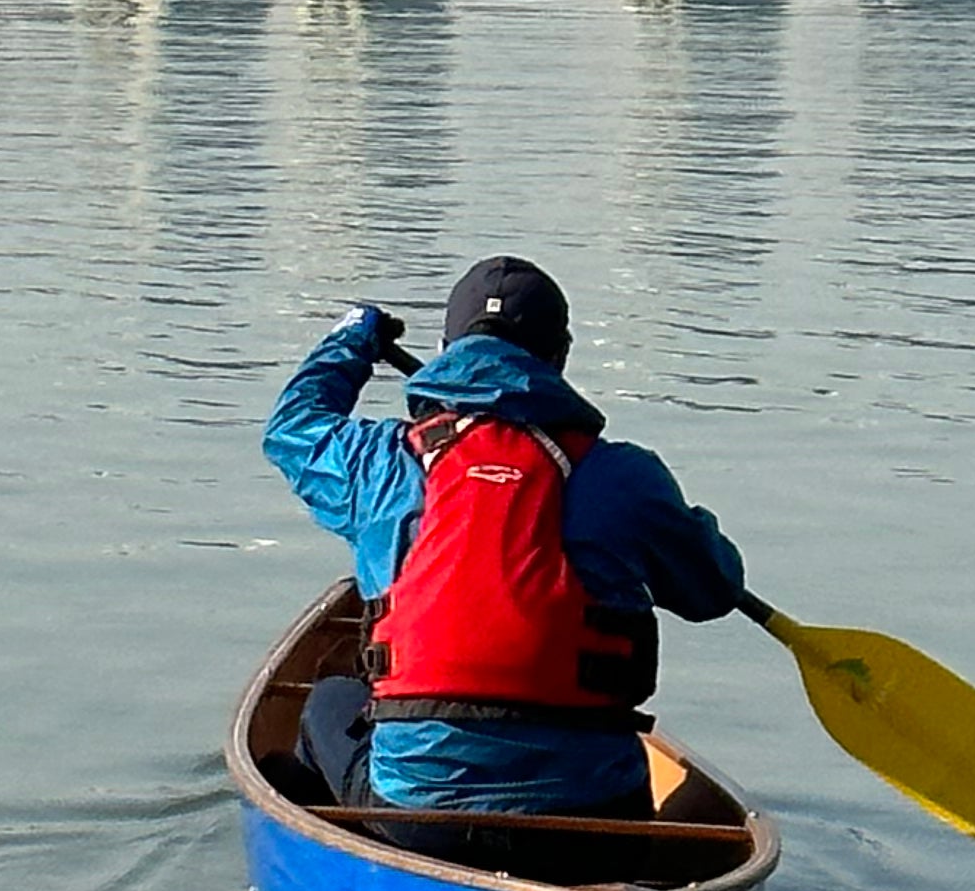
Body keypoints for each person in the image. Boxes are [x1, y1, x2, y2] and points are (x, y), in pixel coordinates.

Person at [262, 254, 746, 818]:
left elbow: (294, 429)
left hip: (420, 814)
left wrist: (351, 343)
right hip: (598, 813)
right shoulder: (627, 477)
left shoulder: (383, 465)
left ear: (449, 353)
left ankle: (345, 852)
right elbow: (714, 590)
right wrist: (678, 519)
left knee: (329, 698)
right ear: (559, 358)